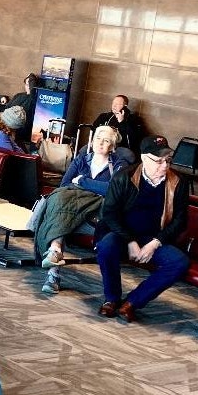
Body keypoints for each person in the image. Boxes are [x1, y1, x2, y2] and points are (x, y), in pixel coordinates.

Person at [96, 136, 190, 322]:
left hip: (154, 239)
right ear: (144, 158)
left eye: (168, 160)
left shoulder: (178, 183)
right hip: (121, 235)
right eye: (159, 161)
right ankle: (112, 299)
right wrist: (131, 241)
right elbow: (110, 213)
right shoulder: (124, 177)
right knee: (106, 247)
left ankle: (132, 303)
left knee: (179, 262)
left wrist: (155, 243)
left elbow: (180, 221)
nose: (165, 166)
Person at [33, 126, 127, 295]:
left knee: (58, 211)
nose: (100, 143)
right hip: (71, 208)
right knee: (59, 203)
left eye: (106, 141)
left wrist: (83, 181)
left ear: (112, 146)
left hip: (95, 215)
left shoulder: (120, 165)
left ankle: (54, 265)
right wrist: (94, 187)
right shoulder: (82, 159)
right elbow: (65, 185)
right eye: (98, 138)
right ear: (92, 141)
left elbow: (113, 190)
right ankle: (54, 258)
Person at [91, 95, 144, 164]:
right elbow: (94, 130)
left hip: (119, 147)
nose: (114, 106)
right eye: (113, 103)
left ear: (125, 107)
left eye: (118, 104)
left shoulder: (132, 119)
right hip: (102, 144)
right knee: (85, 150)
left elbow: (132, 139)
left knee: (127, 154)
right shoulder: (104, 116)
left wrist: (122, 122)